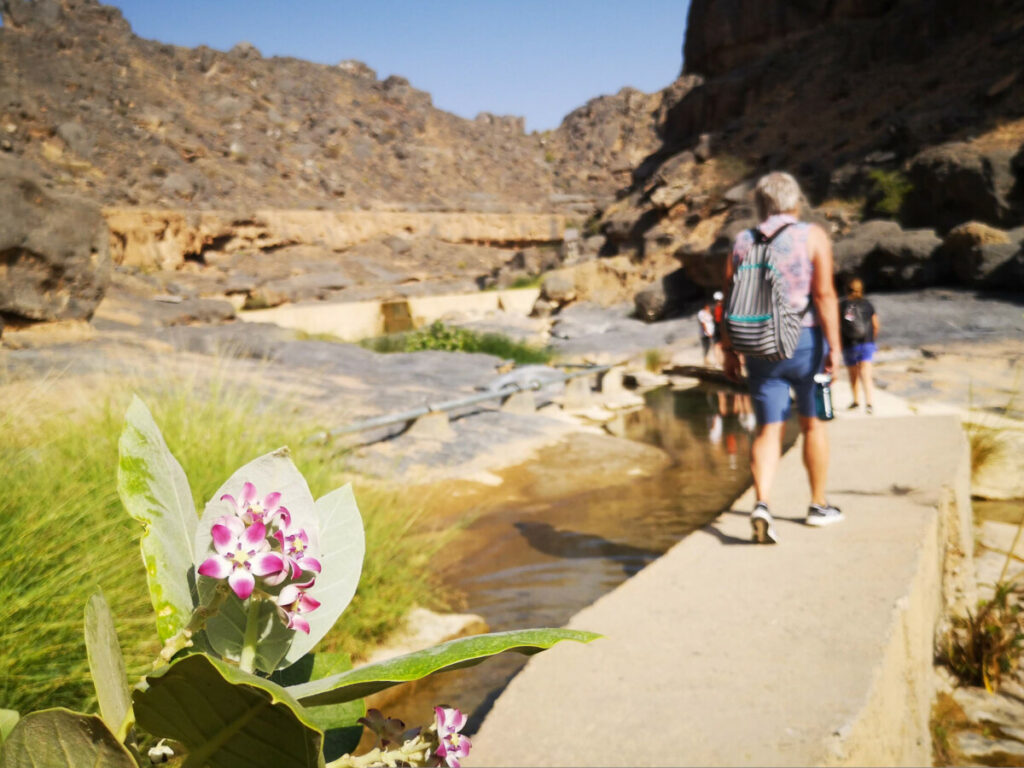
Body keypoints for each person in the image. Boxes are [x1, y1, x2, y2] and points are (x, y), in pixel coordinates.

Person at [721, 171, 844, 544]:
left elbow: (728, 298)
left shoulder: (742, 241)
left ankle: (761, 503)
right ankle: (818, 505)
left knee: (768, 430)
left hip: (759, 347)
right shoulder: (812, 236)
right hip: (808, 345)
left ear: (761, 204)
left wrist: (729, 349)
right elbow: (823, 295)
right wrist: (836, 348)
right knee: (815, 424)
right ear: (794, 202)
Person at [839, 277, 880, 414]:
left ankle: (856, 401)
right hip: (866, 343)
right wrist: (871, 339)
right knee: (866, 374)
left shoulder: (843, 305)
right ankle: (869, 403)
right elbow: (875, 325)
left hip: (849, 343)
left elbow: (838, 325)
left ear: (846, 289)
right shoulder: (868, 304)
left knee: (853, 374)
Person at [697, 300, 716, 366]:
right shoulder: (701, 313)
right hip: (705, 333)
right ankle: (706, 359)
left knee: (710, 346)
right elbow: (703, 323)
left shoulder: (708, 312)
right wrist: (707, 332)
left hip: (710, 332)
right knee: (706, 346)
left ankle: (708, 359)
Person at [711, 291, 725, 366]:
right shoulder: (723, 308)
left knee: (718, 345)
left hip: (718, 327)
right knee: (718, 345)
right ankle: (719, 361)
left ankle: (719, 362)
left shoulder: (713, 308)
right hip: (720, 327)